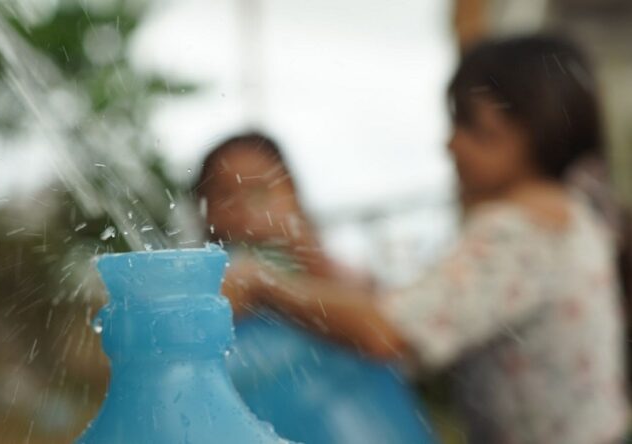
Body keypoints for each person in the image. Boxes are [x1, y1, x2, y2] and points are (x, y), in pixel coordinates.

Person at [224, 35, 629, 443]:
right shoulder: (571, 209)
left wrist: (262, 283)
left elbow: (389, 331)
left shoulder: (518, 232)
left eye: (473, 128)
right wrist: (299, 246)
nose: (451, 144)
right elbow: (409, 300)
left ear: (535, 132)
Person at [194, 133, 434, 444]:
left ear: (293, 194)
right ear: (206, 212)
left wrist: (265, 281)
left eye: (259, 190)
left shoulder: (332, 275)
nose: (244, 207)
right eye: (225, 194)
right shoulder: (213, 293)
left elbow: (381, 334)